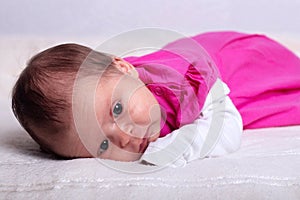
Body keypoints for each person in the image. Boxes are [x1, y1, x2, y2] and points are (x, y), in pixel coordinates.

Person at [11, 31, 300, 167]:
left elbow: (226, 128)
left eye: (117, 108)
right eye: (102, 145)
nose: (125, 138)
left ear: (124, 68)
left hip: (241, 66)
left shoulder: (183, 78)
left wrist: (178, 147)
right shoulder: (119, 88)